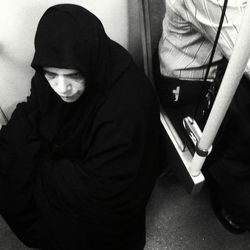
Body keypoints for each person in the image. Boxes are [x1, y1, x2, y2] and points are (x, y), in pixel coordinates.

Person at [0, 4, 163, 249]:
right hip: (71, 162)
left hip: (102, 193)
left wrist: (33, 163)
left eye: (74, 75)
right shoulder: (59, 67)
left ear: (90, 63)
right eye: (51, 74)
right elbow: (37, 108)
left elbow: (108, 192)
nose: (62, 88)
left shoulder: (129, 107)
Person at [156, 0, 250, 234]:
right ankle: (238, 209)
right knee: (234, 145)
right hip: (192, 85)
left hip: (223, 65)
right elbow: (246, 56)